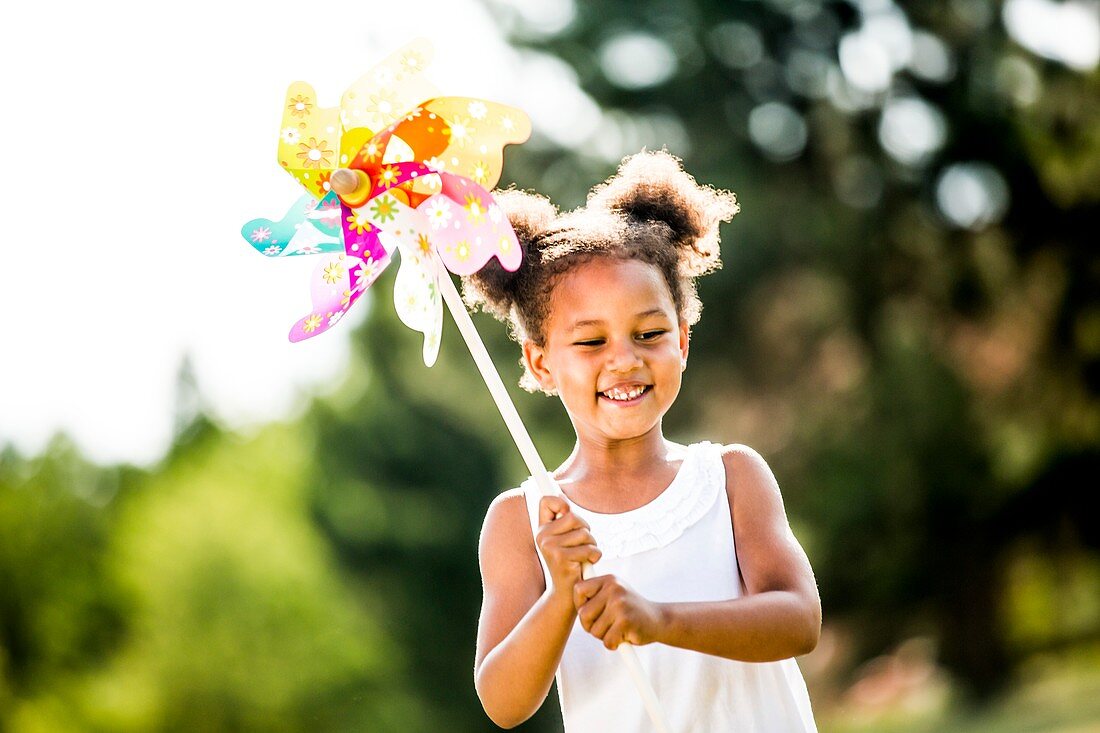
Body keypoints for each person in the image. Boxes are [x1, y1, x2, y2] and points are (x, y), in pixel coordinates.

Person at [463, 150, 820, 731]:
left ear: (681, 338)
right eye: (590, 342)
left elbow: (800, 621)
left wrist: (659, 620)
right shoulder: (522, 521)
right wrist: (560, 596)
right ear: (541, 362)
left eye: (649, 333)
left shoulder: (731, 477)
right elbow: (503, 703)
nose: (625, 360)